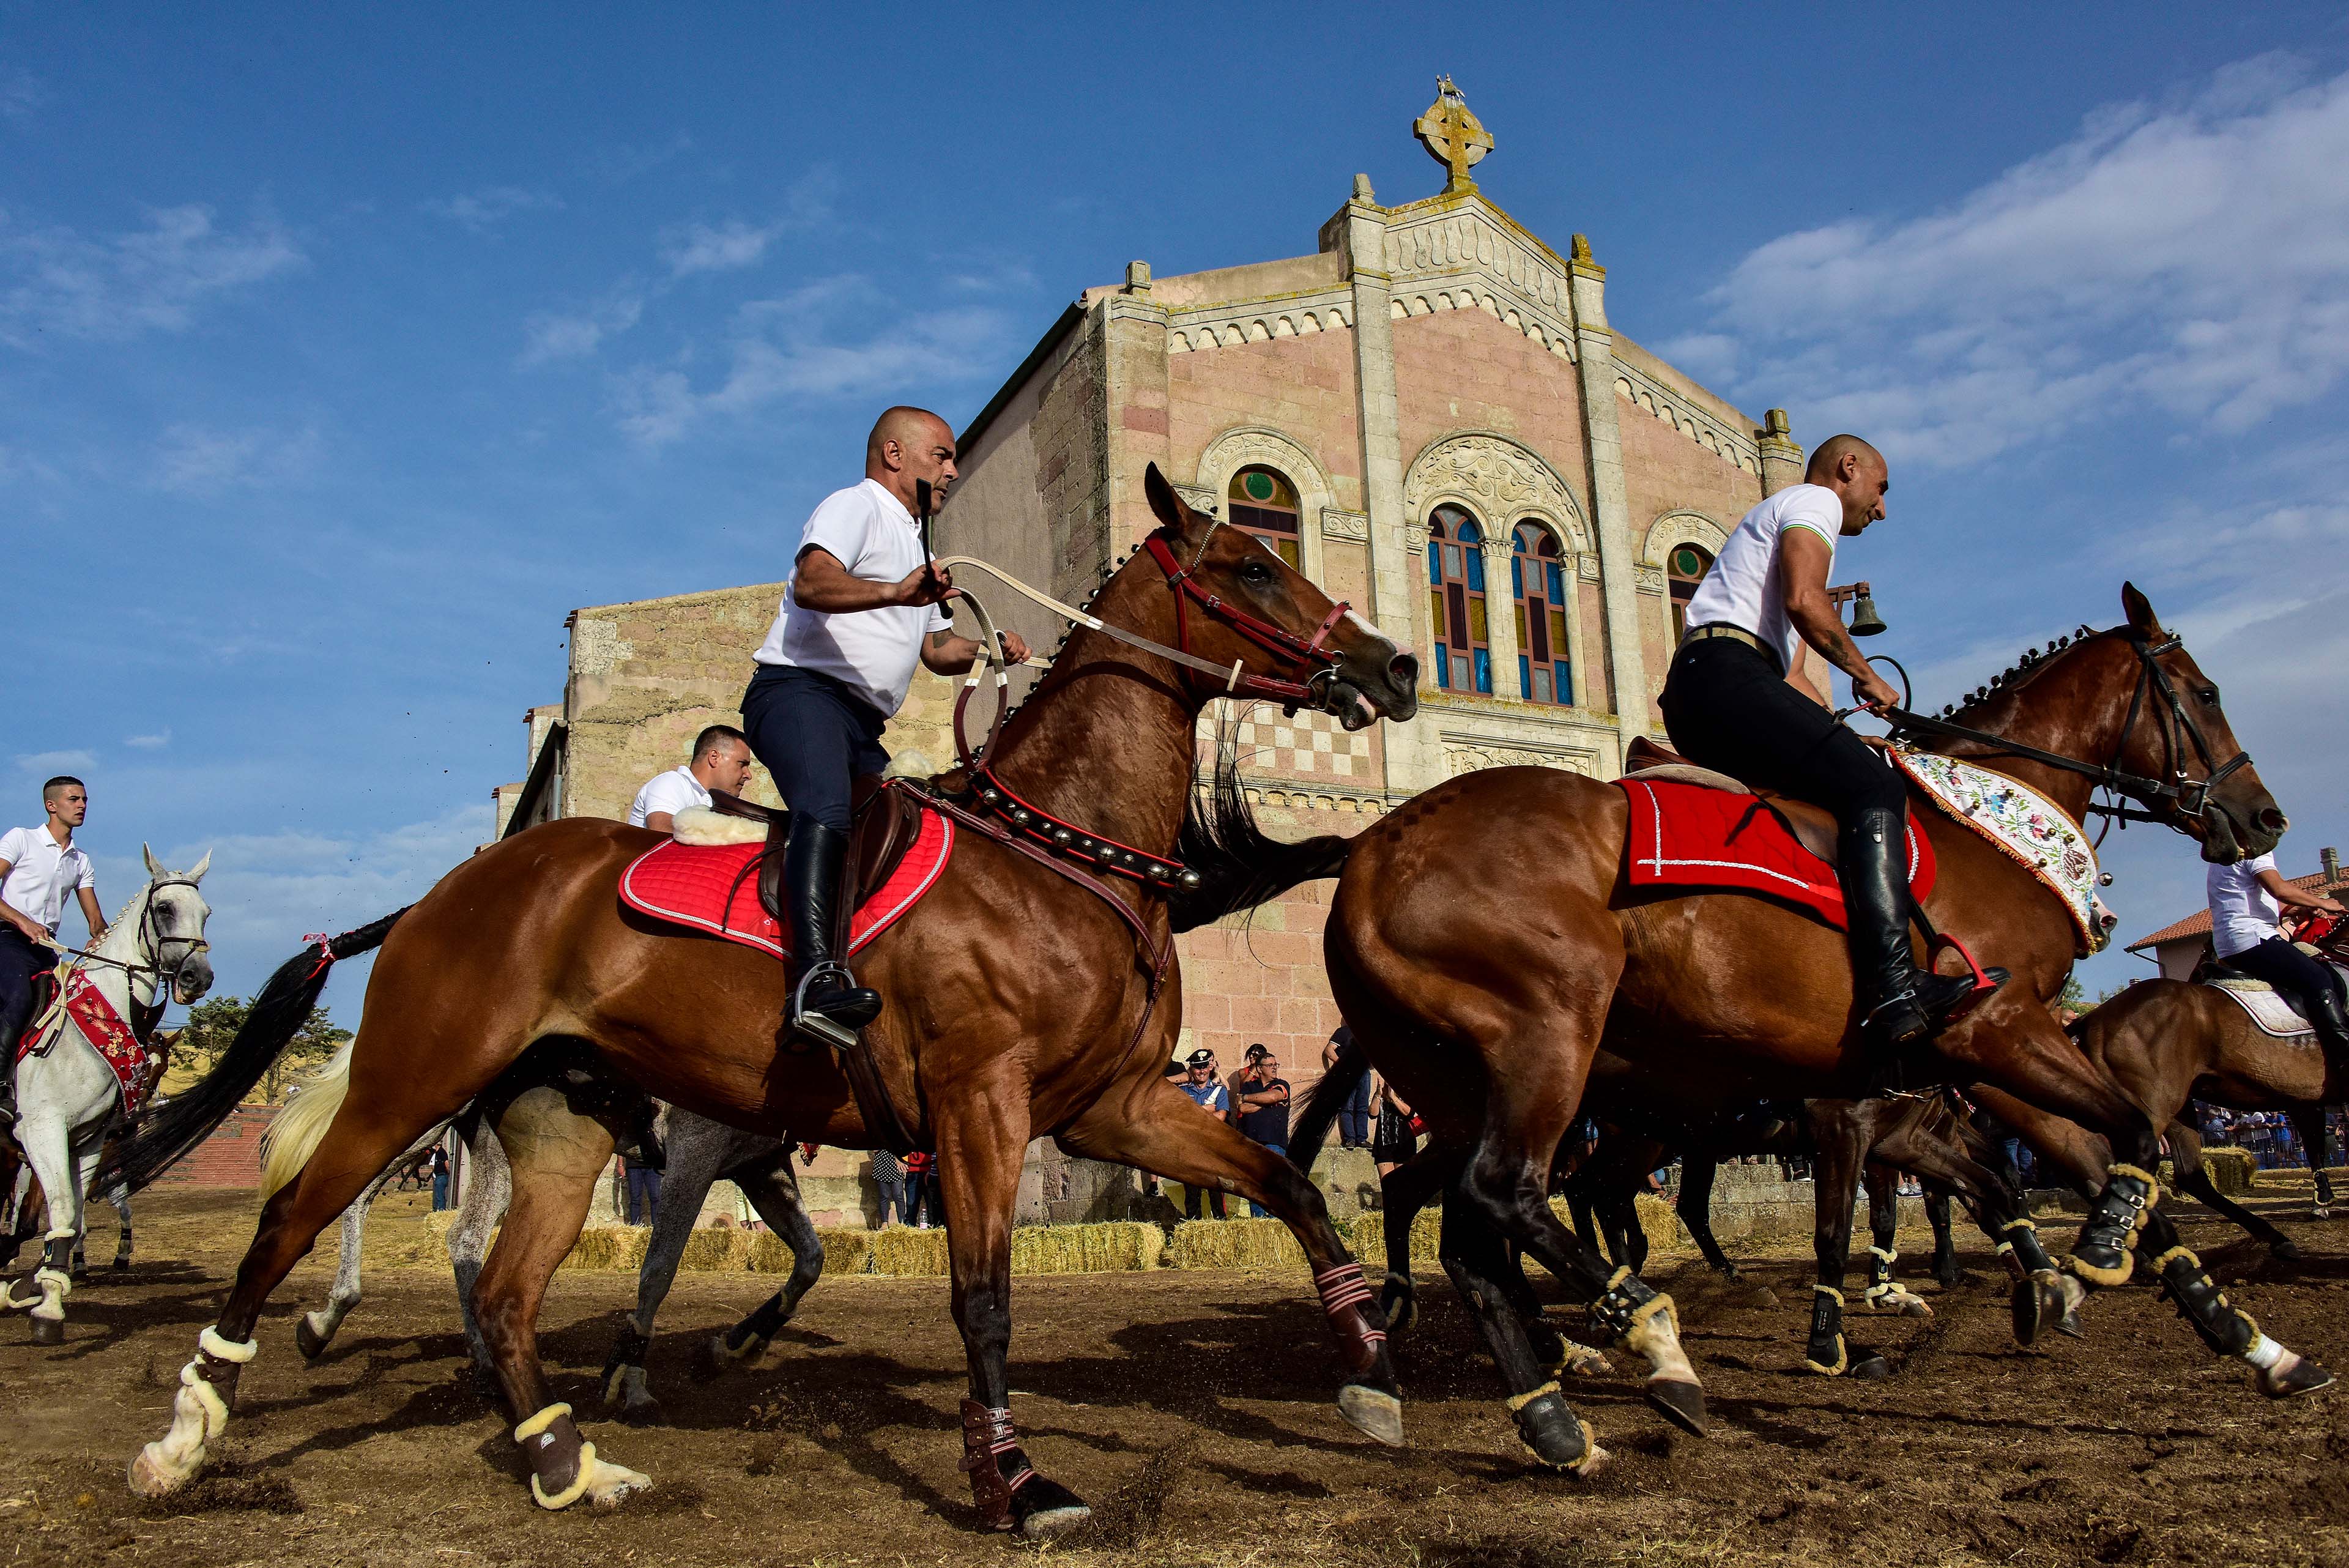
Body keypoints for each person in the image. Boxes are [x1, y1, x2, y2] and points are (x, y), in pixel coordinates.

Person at [1659, 435, 2003, 1082]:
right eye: (1882, 488)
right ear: (1849, 469)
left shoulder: (1767, 539)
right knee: (1876, 794)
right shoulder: (1812, 501)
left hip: (1710, 685)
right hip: (1726, 675)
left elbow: (1791, 678)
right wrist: (1866, 675)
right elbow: (1807, 602)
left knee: (1839, 785)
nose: (1882, 508)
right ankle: (1896, 988)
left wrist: (1857, 738)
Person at [740, 406, 1033, 1049]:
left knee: (903, 831)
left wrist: (987, 647)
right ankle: (813, 983)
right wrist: (898, 592)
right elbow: (814, 583)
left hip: (858, 722)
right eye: (944, 456)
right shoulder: (857, 506)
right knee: (827, 811)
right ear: (895, 453)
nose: (954, 470)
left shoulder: (918, 544)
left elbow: (936, 652)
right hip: (798, 693)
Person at [0, 777, 106, 1131]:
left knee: (79, 1010)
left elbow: (95, 919)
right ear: (51, 805)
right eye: (74, 799)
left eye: (85, 800)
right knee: (18, 1001)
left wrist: (102, 938)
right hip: (7, 939)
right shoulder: (21, 839)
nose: (82, 806)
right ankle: (1, 1089)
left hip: (47, 949)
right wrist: (23, 921)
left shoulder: (81, 860)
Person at [2208, 850, 2349, 1076]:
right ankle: (2344, 1057)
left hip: (2230, 941)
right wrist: (2326, 903)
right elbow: (2279, 889)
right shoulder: (2253, 849)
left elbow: (2249, 897)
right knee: (2319, 978)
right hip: (2253, 937)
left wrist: (2301, 908)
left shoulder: (2223, 854)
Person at [628, 725, 756, 834]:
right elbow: (662, 832)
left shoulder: (718, 802)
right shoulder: (672, 782)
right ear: (714, 758)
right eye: (742, 764)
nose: (748, 775)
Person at [1231, 1046, 1291, 1217]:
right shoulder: (1250, 1086)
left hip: (1275, 1142)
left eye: (1276, 1065)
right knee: (1254, 1184)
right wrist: (1262, 1101)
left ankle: (1275, 1219)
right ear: (1259, 1068)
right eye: (1269, 1065)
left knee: (1275, 1185)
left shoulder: (1281, 1084)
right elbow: (1243, 1108)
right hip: (1252, 1143)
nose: (1274, 1068)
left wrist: (1249, 1099)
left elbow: (1274, 1097)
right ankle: (1258, 1220)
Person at [1175, 1048, 1231, 1220]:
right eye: (1198, 1067)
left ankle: (1221, 1227)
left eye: (1205, 1066)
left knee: (1216, 1193)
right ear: (1192, 1069)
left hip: (1213, 1148)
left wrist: (1193, 1112)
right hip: (1191, 1149)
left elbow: (1221, 1116)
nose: (1202, 1071)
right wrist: (1208, 1109)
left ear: (1210, 1067)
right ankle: (1193, 1229)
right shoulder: (1182, 1091)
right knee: (1192, 1196)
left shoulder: (1220, 1091)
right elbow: (1181, 1117)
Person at [1324, 1026, 1371, 1149]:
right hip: (1347, 1073)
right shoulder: (1343, 1032)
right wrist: (1343, 1065)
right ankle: (1350, 1139)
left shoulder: (1366, 1033)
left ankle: (1361, 1139)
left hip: (1364, 1072)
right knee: (1347, 1107)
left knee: (1363, 1107)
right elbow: (1329, 1050)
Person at [1371, 1075, 1419, 1180]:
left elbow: (1409, 1114)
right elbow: (1372, 1114)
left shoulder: (1407, 1093)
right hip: (1384, 1144)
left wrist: (1394, 1098)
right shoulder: (1382, 1094)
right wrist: (1378, 1095)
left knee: (1403, 1183)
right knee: (1387, 1183)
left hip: (1404, 1143)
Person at [870, 1148, 908, 1228]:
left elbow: (900, 1146)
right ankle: (884, 1223)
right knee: (884, 1196)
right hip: (882, 1165)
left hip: (897, 1165)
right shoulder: (879, 1136)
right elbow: (874, 1149)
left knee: (898, 1195)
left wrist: (898, 1158)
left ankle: (902, 1223)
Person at [428, 1145, 452, 1212]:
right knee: (439, 1194)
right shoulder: (437, 1153)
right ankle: (439, 1209)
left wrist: (447, 1171)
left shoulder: (442, 1152)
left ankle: (441, 1210)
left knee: (440, 1195)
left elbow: (446, 1162)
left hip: (441, 1176)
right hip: (439, 1176)